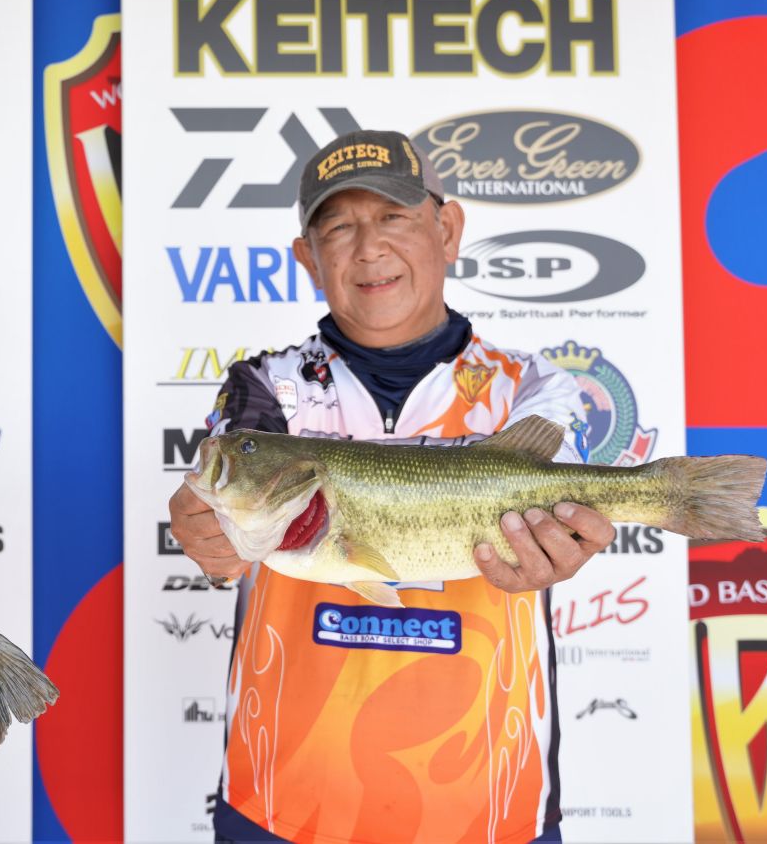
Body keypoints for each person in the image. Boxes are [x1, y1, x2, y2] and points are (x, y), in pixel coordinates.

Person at [169, 130, 616, 844]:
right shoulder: (265, 385)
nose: (369, 247)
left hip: (492, 806)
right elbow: (227, 497)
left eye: (393, 217)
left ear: (448, 230)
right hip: (281, 801)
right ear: (308, 259)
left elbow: (564, 518)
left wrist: (563, 543)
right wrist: (207, 534)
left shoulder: (533, 387)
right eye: (338, 227)